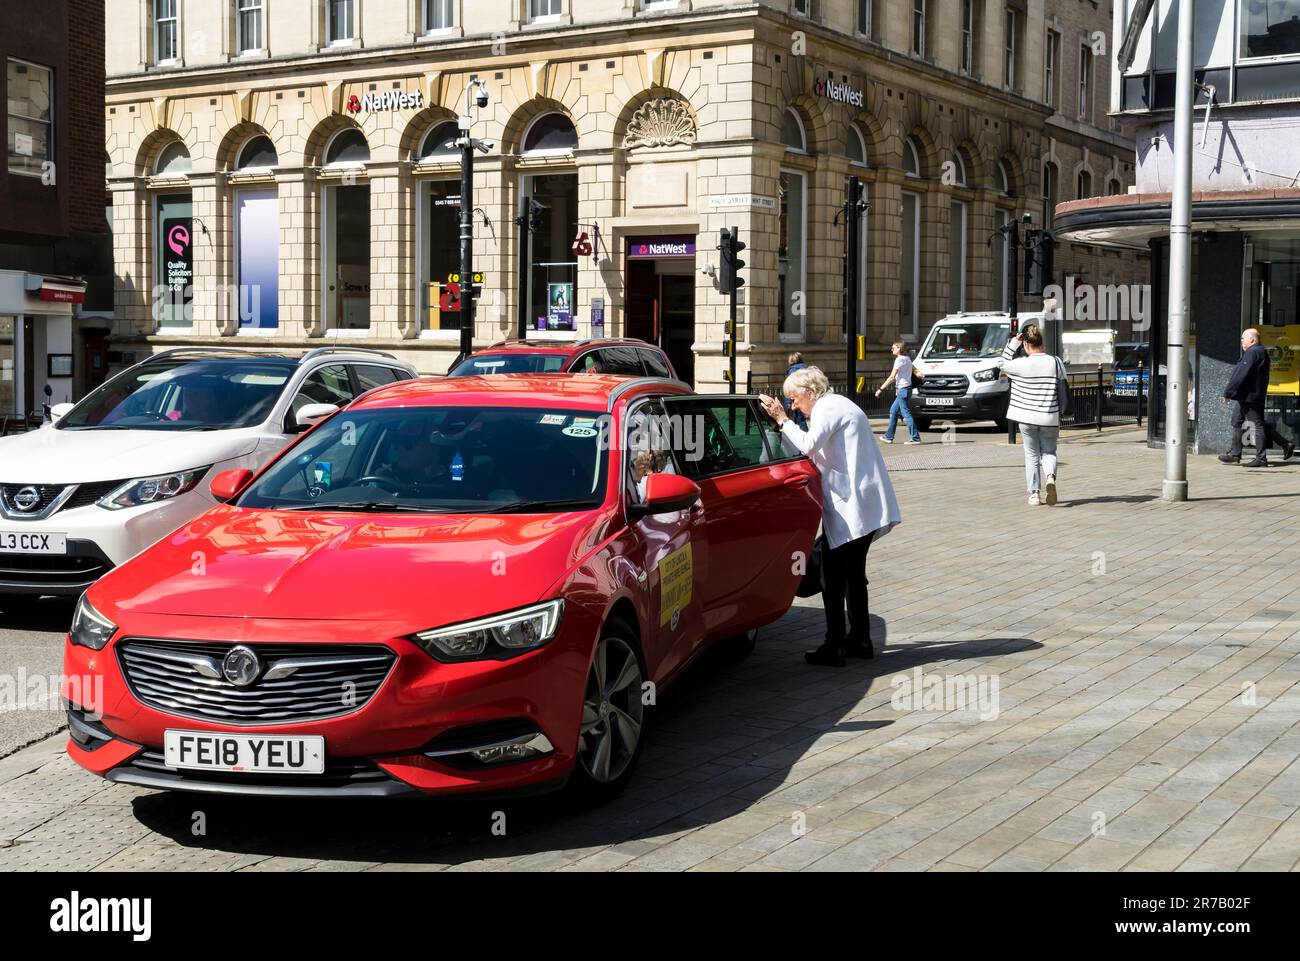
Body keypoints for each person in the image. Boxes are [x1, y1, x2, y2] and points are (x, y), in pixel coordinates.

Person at [759, 366, 902, 667]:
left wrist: (782, 421)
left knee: (832, 577)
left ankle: (834, 644)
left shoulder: (826, 408)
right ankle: (860, 639)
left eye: (795, 399)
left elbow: (809, 445)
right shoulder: (840, 404)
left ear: (810, 392)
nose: (794, 406)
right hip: (862, 504)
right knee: (852, 576)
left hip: (852, 506)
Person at [998, 324, 1065, 506]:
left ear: (1026, 345)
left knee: (1032, 454)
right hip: (1049, 417)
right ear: (1041, 343)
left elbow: (1000, 363)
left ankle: (1035, 494)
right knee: (1049, 451)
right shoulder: (1055, 362)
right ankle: (1050, 477)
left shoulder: (1020, 364)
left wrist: (1013, 344)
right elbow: (1063, 386)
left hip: (1026, 417)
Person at [1220, 327, 1293, 467]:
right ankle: (1236, 454)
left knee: (1257, 425)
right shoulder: (1259, 352)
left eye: (1243, 338)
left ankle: (1260, 458)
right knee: (1238, 421)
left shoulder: (1252, 352)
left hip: (1249, 396)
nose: (1241, 341)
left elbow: (1240, 374)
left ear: (1252, 340)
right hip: (1249, 395)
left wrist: (1228, 393)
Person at [875, 340, 921, 444]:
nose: (892, 349)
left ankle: (915, 438)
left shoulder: (899, 359)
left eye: (893, 348)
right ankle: (889, 436)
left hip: (903, 390)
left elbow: (892, 377)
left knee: (906, 414)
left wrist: (880, 389)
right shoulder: (908, 359)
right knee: (893, 411)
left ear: (899, 349)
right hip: (906, 389)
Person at [783, 352, 809, 429]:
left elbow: (790, 387)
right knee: (802, 420)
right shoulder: (806, 369)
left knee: (796, 420)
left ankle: (801, 438)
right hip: (805, 397)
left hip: (795, 398)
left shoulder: (793, 370)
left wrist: (788, 403)